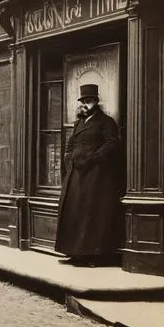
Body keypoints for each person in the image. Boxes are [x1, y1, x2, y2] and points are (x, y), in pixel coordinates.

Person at [55, 84, 124, 267]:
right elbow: (70, 146)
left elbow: (112, 144)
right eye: (83, 102)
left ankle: (93, 256)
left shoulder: (106, 122)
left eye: (89, 101)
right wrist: (70, 160)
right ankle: (74, 253)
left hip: (96, 176)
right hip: (76, 175)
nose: (85, 105)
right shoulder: (78, 123)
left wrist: (93, 159)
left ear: (96, 102)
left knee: (92, 214)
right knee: (74, 213)